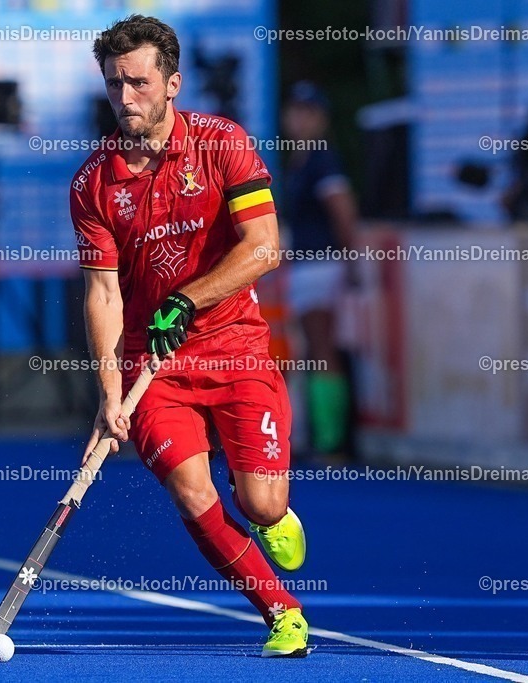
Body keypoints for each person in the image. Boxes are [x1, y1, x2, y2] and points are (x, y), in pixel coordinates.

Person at [71, 15, 308, 657]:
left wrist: (188, 297)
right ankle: (281, 614)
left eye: (139, 83)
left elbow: (264, 249)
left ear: (172, 83)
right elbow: (103, 292)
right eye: (114, 84)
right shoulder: (93, 183)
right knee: (190, 488)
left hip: (236, 349)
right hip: (156, 367)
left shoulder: (223, 144)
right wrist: (109, 393)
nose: (125, 98)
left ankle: (270, 513)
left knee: (259, 504)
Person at [281, 82, 359, 459]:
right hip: (305, 266)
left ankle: (331, 441)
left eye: (308, 112)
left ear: (321, 119)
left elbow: (342, 211)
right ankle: (320, 435)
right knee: (312, 348)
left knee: (323, 347)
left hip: (322, 266)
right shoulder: (300, 162)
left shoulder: (322, 159)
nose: (300, 119)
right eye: (296, 110)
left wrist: (352, 260)